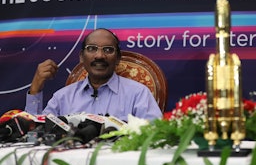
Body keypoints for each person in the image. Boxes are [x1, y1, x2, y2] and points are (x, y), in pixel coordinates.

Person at [25, 28, 162, 122]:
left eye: (108, 50)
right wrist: (35, 88)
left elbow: (154, 135)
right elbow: (35, 135)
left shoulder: (138, 94)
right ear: (81, 57)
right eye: (92, 49)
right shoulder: (62, 98)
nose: (100, 56)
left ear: (118, 58)